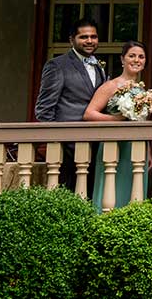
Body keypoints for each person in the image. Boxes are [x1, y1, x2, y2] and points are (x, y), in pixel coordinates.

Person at [35, 18, 106, 192]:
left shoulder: (98, 66)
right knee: (67, 193)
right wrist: (59, 140)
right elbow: (44, 110)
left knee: (90, 193)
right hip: (67, 147)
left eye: (93, 37)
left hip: (95, 143)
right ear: (72, 40)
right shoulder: (57, 66)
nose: (89, 41)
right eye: (84, 37)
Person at [84, 40, 152, 212]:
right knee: (111, 191)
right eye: (132, 56)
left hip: (136, 148)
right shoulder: (111, 86)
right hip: (114, 148)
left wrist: (149, 151)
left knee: (134, 193)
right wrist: (117, 120)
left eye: (141, 57)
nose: (137, 60)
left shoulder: (143, 92)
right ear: (122, 59)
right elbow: (89, 114)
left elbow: (142, 123)